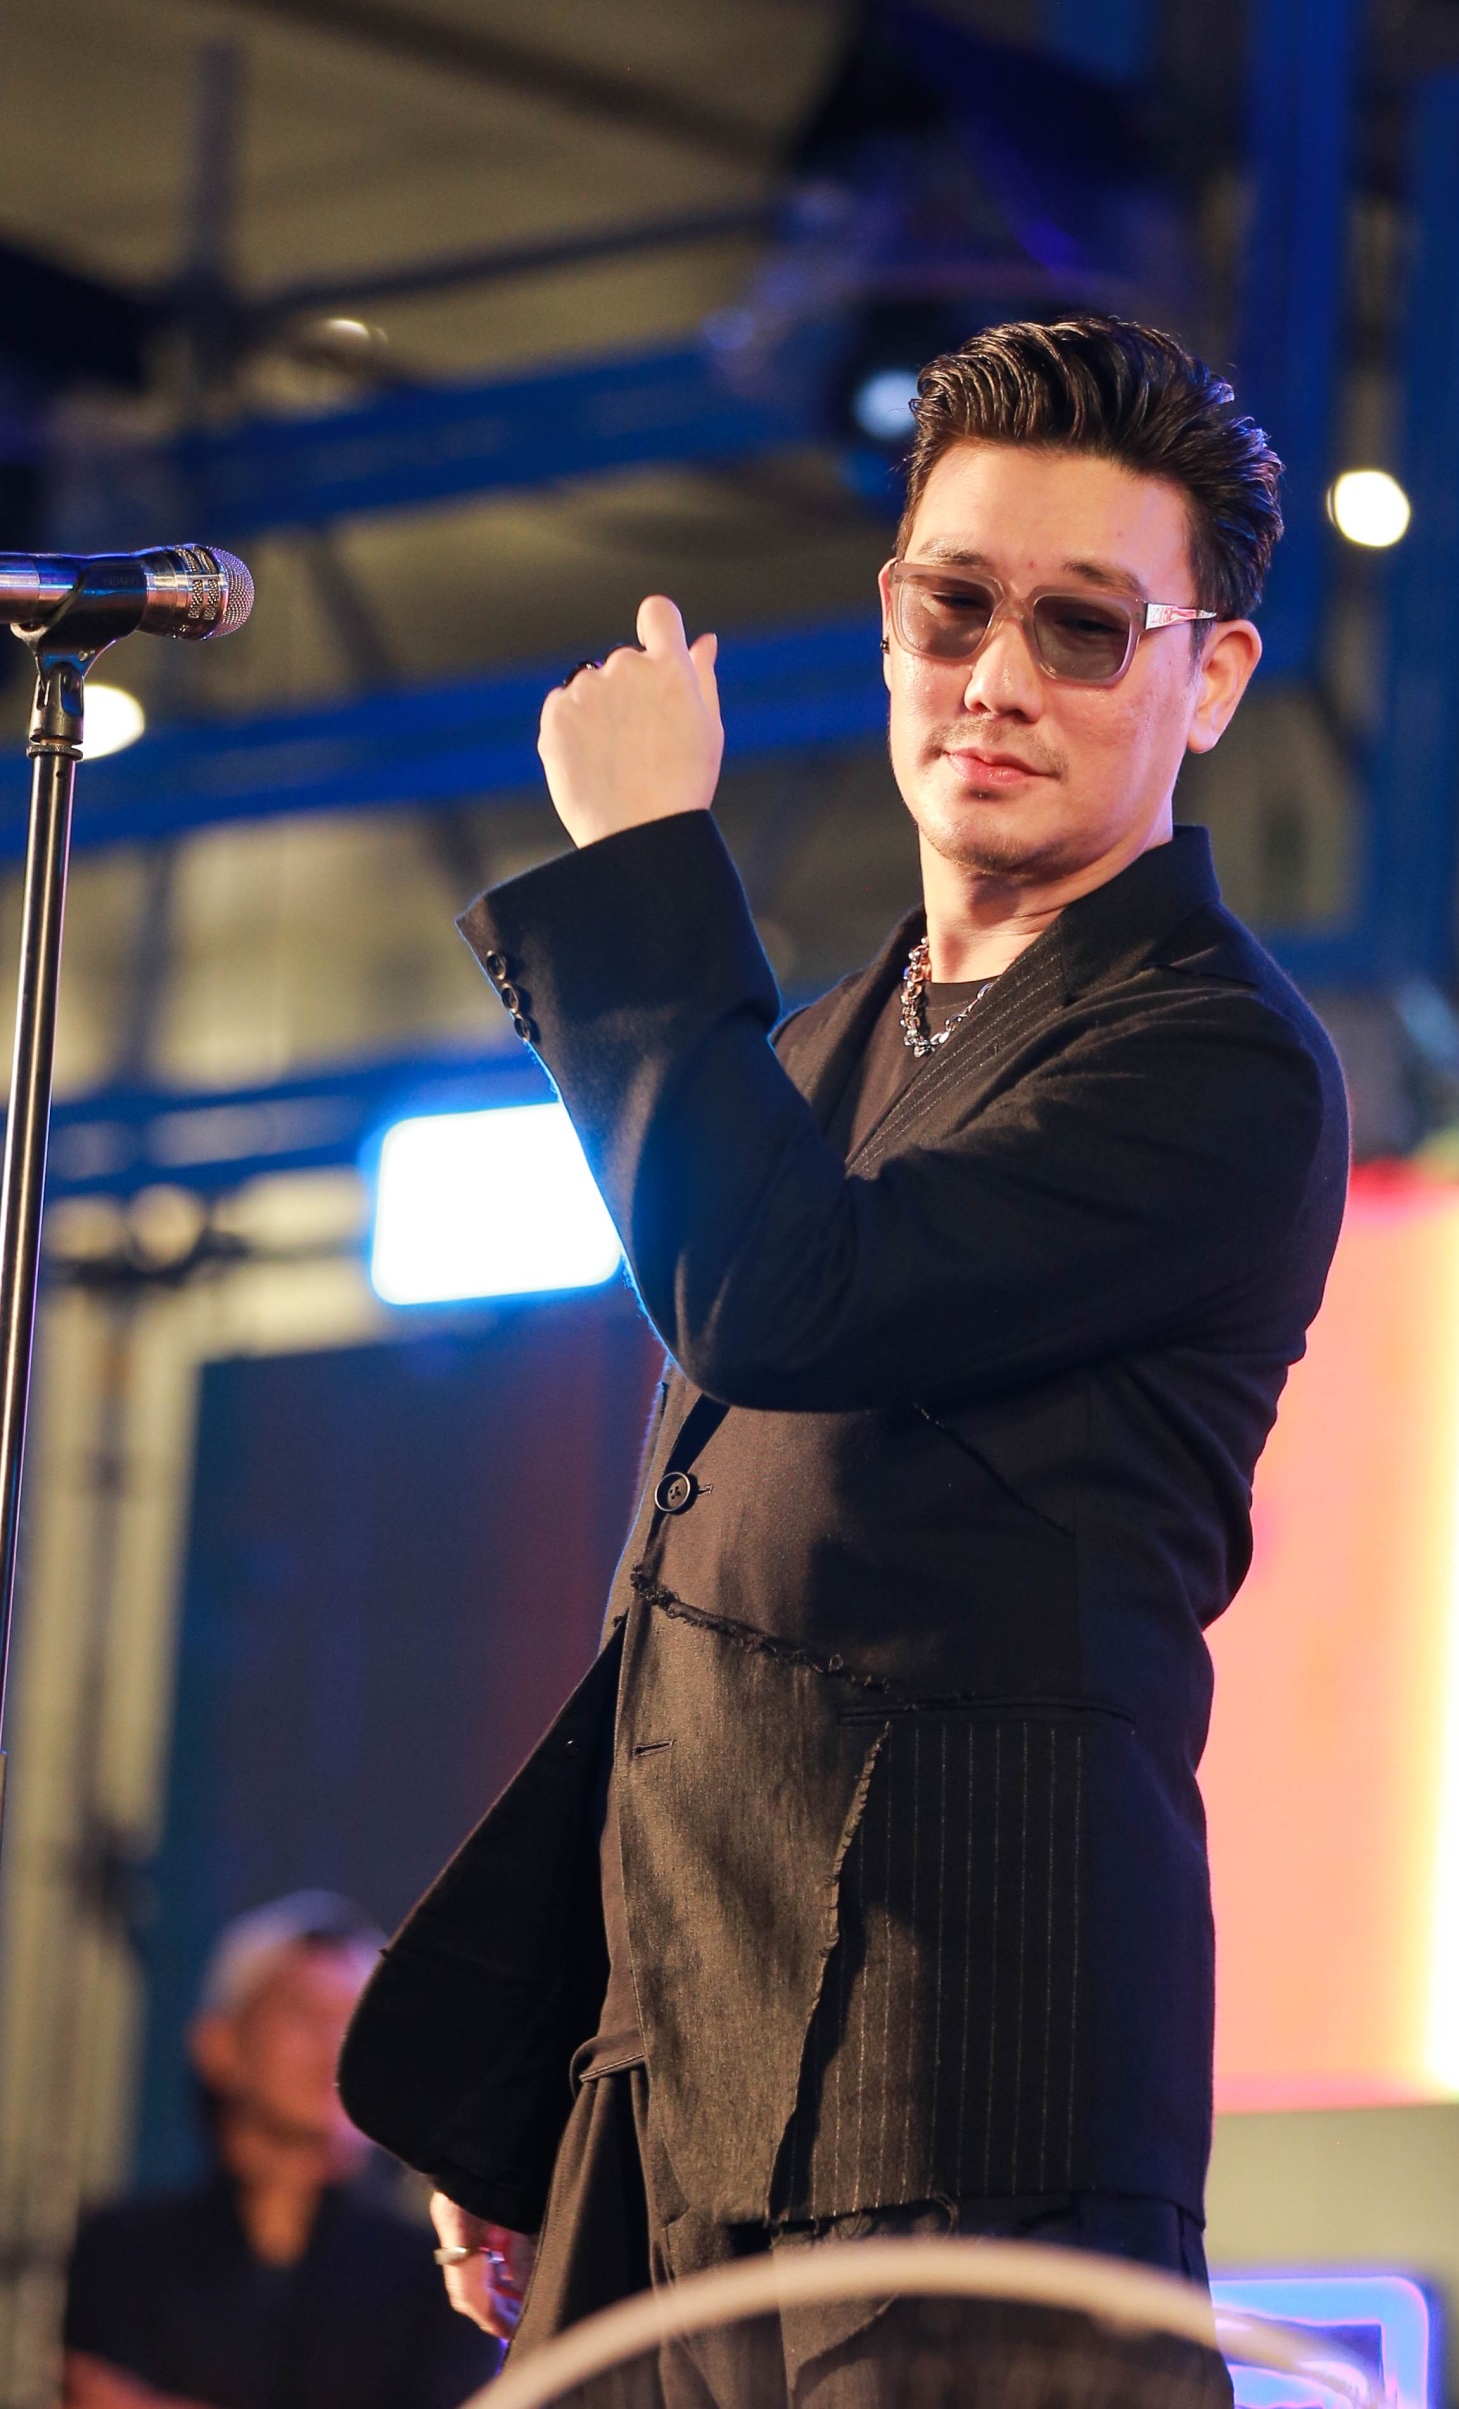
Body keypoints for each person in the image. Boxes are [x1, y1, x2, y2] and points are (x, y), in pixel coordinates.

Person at [339, 316, 1350, 2389]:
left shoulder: (1214, 1059)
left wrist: (642, 860)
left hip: (961, 2104)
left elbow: (784, 1300)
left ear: (1209, 677)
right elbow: (694, 1603)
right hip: (673, 2089)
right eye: (951, 606)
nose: (994, 677)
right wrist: (552, 2051)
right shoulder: (806, 1050)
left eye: (1082, 628)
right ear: (888, 618)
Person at [62, 1892, 500, 2409]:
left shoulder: (441, 2277)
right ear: (220, 2045)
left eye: (357, 2021)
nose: (336, 2044)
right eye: (304, 2012)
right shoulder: (125, 2249)